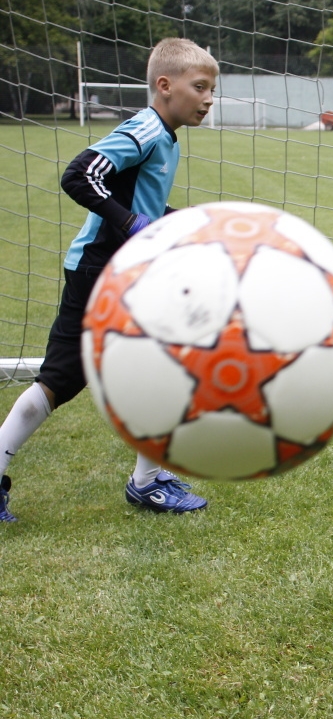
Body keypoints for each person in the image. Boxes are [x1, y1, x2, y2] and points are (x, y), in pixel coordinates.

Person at [0, 38, 218, 523]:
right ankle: (147, 482)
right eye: (199, 87)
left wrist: (175, 222)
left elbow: (132, 202)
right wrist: (129, 225)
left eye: (212, 90)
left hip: (99, 268)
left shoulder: (163, 136)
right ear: (165, 85)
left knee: (59, 379)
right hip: (106, 271)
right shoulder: (144, 129)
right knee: (168, 363)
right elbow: (80, 174)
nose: (208, 99)